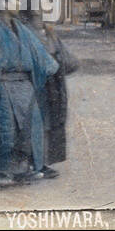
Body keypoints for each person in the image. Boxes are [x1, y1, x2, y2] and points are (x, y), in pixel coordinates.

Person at [0, 10, 59, 187]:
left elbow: (38, 52)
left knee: (30, 128)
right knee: (6, 128)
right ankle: (1, 172)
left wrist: (51, 64)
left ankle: (23, 169)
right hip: (4, 85)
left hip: (25, 85)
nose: (17, 2)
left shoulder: (20, 28)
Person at [30, 14, 78, 170]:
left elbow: (70, 63)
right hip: (40, 86)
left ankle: (41, 162)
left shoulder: (47, 34)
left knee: (49, 122)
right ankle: (36, 163)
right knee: (40, 123)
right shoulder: (29, 34)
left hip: (52, 87)